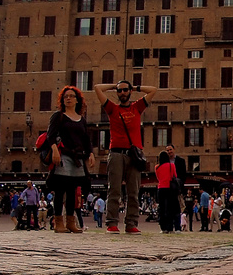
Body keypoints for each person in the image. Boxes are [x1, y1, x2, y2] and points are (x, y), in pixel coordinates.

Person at [93, 79, 155, 233]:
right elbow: (97, 88)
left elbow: (153, 90)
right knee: (114, 190)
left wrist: (135, 87)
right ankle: (112, 223)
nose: (122, 93)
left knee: (133, 191)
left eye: (125, 90)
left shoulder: (137, 108)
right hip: (116, 153)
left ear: (130, 92)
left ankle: (131, 224)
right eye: (119, 91)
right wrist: (114, 85)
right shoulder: (112, 109)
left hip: (133, 155)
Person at [43, 86, 93, 234]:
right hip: (63, 155)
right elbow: (50, 135)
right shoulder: (58, 116)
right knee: (60, 190)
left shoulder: (81, 120)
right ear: (62, 100)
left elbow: (86, 139)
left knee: (72, 191)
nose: (69, 99)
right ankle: (58, 222)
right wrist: (54, 151)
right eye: (66, 97)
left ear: (77, 100)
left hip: (77, 158)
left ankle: (71, 222)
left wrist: (90, 153)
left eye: (71, 96)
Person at [154, 150, 179, 233]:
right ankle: (170, 227)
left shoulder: (157, 167)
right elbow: (174, 176)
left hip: (161, 188)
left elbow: (158, 178)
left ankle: (163, 227)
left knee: (161, 208)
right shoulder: (171, 165)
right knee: (170, 208)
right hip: (169, 188)